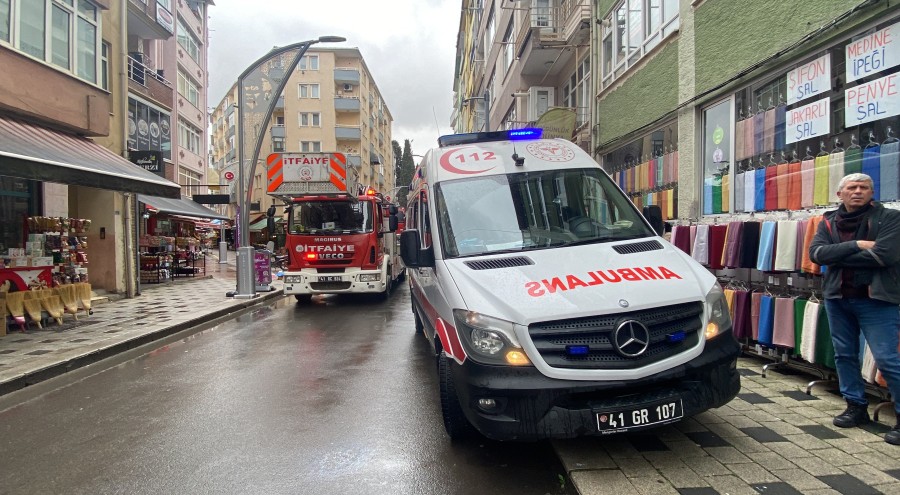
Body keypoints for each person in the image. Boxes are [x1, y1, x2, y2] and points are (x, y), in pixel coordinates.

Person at [809, 172, 900, 445]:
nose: (858, 191)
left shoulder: (890, 218)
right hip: (838, 298)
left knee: (887, 358)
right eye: (852, 187)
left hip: (877, 300)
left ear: (872, 192)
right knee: (844, 355)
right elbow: (816, 254)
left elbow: (885, 256)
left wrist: (837, 254)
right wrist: (856, 245)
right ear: (840, 194)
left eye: (864, 187)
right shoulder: (828, 220)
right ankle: (855, 406)